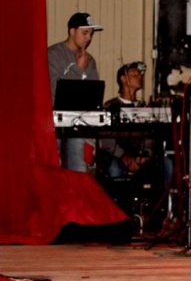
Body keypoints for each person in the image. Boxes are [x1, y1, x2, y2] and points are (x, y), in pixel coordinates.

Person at [48, 12, 103, 172]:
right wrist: (79, 70)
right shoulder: (53, 55)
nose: (88, 38)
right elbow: (54, 91)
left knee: (79, 164)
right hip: (54, 124)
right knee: (55, 168)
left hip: (80, 122)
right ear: (72, 31)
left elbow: (93, 93)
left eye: (91, 34)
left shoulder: (89, 60)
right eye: (85, 33)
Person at [101, 61, 155, 178]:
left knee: (166, 166)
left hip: (139, 156)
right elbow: (105, 138)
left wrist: (146, 154)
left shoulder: (143, 107)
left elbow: (149, 136)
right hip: (117, 156)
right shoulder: (110, 106)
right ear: (123, 79)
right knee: (114, 169)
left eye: (140, 75)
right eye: (134, 74)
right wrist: (123, 156)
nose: (139, 77)